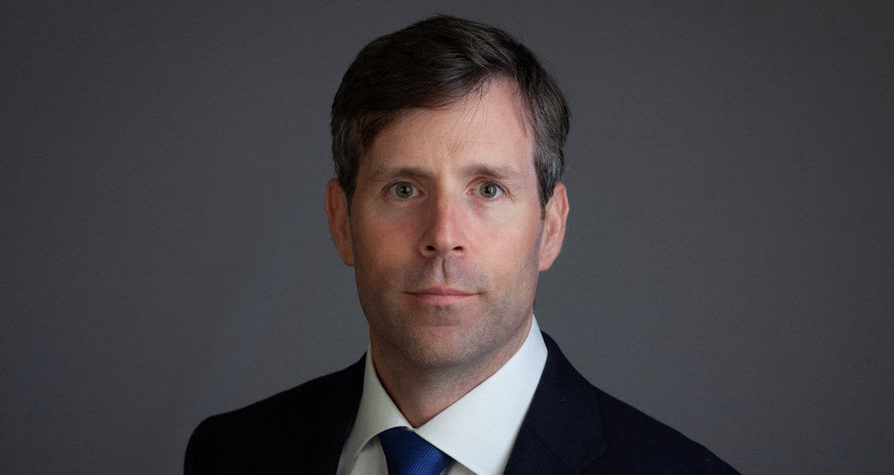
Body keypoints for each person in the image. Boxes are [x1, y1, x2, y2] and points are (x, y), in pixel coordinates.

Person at [185, 15, 738, 474]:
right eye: (404, 190)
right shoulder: (229, 454)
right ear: (342, 222)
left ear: (550, 228)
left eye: (489, 190)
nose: (444, 236)